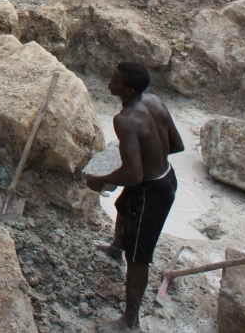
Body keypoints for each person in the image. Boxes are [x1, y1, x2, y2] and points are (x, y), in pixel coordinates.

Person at [86, 61, 185, 332]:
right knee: (122, 205)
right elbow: (177, 145)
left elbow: (133, 175)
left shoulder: (124, 120)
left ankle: (130, 320)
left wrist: (101, 179)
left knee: (139, 256)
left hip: (151, 192)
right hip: (166, 177)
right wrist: (151, 157)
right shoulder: (155, 102)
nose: (108, 82)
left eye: (113, 80)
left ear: (127, 91)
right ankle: (116, 247)